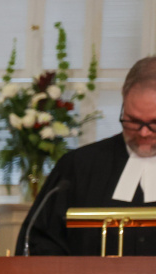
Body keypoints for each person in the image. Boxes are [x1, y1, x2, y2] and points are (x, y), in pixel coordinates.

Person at [20, 56, 156, 256]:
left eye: (154, 123)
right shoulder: (78, 166)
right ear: (123, 103)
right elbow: (39, 244)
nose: (143, 133)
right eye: (133, 121)